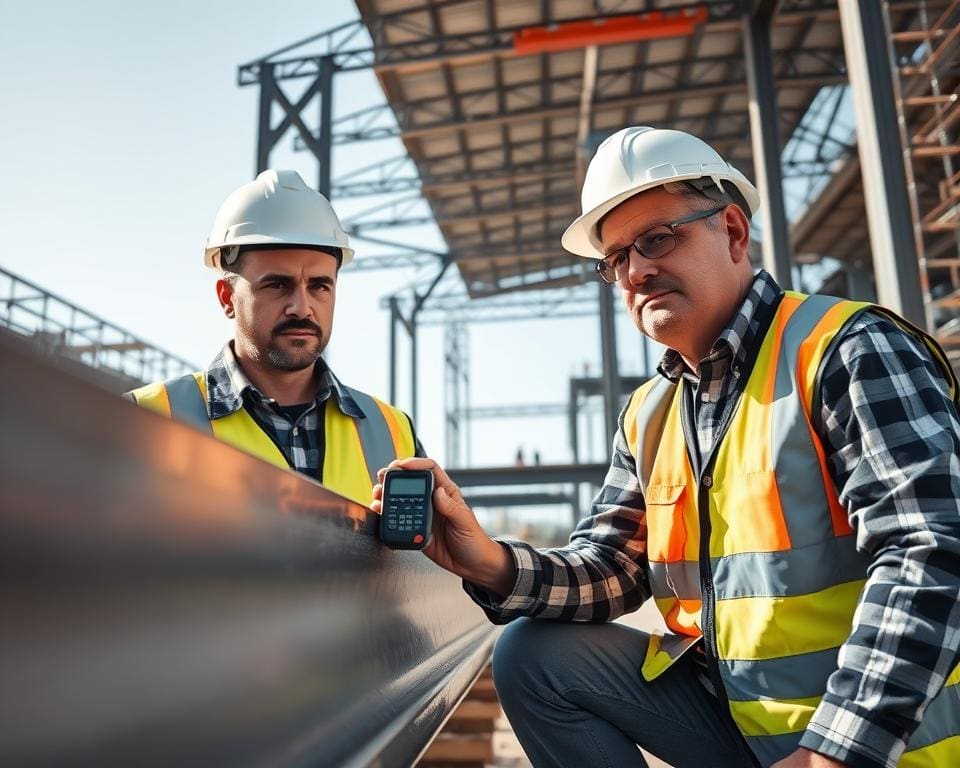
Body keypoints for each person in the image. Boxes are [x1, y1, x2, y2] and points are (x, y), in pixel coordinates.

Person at [373, 127, 960, 767]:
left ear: (734, 232)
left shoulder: (845, 350)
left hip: (881, 743)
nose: (636, 270)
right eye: (616, 258)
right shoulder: (651, 412)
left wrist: (838, 751)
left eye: (657, 239)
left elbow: (932, 548)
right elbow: (613, 567)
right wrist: (488, 562)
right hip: (740, 721)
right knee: (536, 657)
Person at [128, 169, 423, 504]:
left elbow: (433, 556)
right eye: (277, 285)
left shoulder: (392, 432)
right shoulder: (147, 417)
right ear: (227, 298)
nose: (302, 307)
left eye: (319, 286)